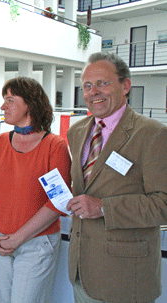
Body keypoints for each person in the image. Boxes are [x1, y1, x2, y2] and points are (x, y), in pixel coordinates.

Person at [66, 52, 167, 303]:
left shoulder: (153, 134)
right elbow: (87, 184)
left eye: (103, 83)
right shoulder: (77, 132)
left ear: (126, 86)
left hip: (125, 279)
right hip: (82, 272)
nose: (94, 92)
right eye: (88, 86)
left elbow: (163, 204)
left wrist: (103, 207)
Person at [0, 77, 71, 303]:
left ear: (30, 104)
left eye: (10, 100)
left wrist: (17, 239)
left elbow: (57, 202)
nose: (2, 106)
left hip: (36, 245)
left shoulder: (54, 146)